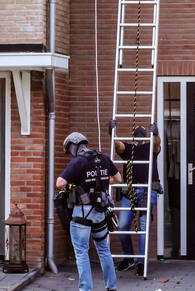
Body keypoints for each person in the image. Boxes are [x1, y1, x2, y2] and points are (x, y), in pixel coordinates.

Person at [57, 132, 123, 291]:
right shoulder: (104, 158)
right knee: (104, 249)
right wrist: (102, 180)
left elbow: (60, 183)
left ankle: (86, 289)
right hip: (100, 211)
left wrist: (74, 185)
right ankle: (111, 287)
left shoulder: (78, 161)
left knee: (81, 252)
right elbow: (118, 179)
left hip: (82, 213)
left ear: (73, 146)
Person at [112, 123, 161, 276]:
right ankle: (129, 258)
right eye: (137, 133)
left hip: (148, 191)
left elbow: (157, 144)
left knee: (143, 226)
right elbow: (119, 146)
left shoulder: (150, 147)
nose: (140, 135)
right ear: (133, 136)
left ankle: (141, 263)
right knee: (122, 226)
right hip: (130, 192)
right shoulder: (129, 149)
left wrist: (156, 134)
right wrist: (113, 132)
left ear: (146, 136)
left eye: (143, 133)